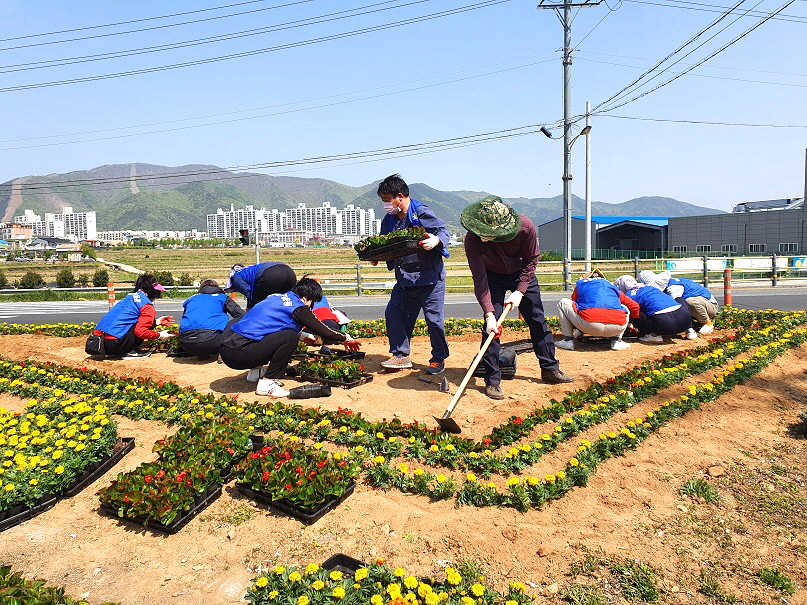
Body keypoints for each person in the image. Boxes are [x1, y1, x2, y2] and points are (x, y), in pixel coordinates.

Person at [462, 196, 573, 400]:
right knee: (491, 328)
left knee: (538, 320)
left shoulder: (526, 227)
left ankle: (549, 368)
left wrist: (520, 291)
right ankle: (493, 380)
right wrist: (489, 313)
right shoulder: (472, 239)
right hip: (492, 277)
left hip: (522, 273)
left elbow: (531, 260)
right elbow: (480, 278)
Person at [219, 277, 361, 396]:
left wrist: (304, 336)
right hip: (240, 354)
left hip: (228, 349)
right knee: (290, 337)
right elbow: (324, 330)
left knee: (273, 333)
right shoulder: (298, 306)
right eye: (312, 302)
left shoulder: (275, 298)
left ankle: (255, 373)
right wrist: (346, 337)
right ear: (306, 298)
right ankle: (268, 383)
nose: (311, 306)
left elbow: (272, 326)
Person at [375, 174, 450, 375]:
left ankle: (438, 358)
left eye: (386, 200)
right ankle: (400, 355)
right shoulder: (389, 220)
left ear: (399, 196)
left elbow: (443, 230)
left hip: (430, 279)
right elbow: (384, 243)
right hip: (405, 279)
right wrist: (377, 256)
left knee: (434, 321)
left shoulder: (421, 212)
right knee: (394, 314)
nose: (385, 205)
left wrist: (436, 240)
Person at [93, 274, 174, 358]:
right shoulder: (147, 305)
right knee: (142, 328)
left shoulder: (129, 297)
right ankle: (129, 351)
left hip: (100, 342)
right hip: (116, 344)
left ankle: (119, 350)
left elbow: (127, 319)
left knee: (142, 324)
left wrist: (157, 322)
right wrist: (160, 335)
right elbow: (140, 332)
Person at [556, 273, 640, 351]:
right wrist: (630, 324)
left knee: (563, 302)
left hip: (589, 324)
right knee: (624, 307)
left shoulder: (581, 285)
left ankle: (568, 340)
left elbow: (576, 307)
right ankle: (617, 341)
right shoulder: (611, 287)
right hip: (617, 327)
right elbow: (634, 306)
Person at [614, 275, 693, 343]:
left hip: (664, 325)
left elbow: (634, 308)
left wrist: (630, 323)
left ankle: (653, 335)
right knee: (679, 300)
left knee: (636, 311)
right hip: (685, 320)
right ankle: (690, 330)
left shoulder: (629, 295)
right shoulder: (650, 288)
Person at [178, 279, 246, 357]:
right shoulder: (222, 297)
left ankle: (202, 354)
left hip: (186, 344)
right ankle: (223, 351)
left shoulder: (191, 299)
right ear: (217, 288)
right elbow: (241, 315)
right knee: (238, 320)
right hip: (211, 342)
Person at [638, 270, 717, 335]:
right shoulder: (667, 286)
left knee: (689, 302)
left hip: (709, 306)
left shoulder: (674, 287)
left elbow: (677, 304)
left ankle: (707, 322)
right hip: (696, 309)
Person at [225, 262, 297, 309]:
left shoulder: (235, 278)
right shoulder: (250, 270)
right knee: (290, 300)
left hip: (271, 275)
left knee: (259, 306)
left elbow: (250, 294)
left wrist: (249, 308)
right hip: (289, 271)